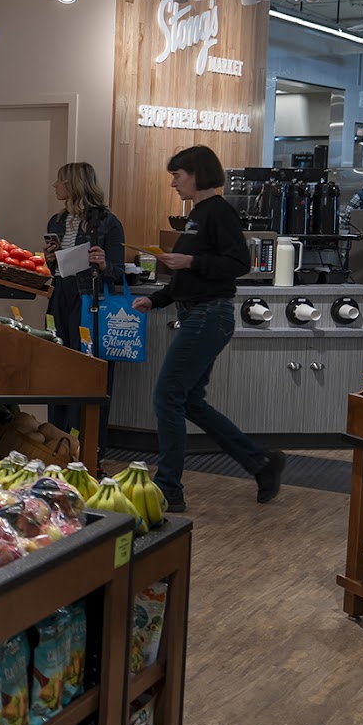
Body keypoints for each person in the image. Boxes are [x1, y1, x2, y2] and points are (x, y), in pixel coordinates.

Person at [133, 145, 285, 511]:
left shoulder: (218, 211)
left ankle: (168, 488)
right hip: (198, 314)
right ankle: (261, 462)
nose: (173, 183)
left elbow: (238, 263)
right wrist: (157, 300)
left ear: (196, 175)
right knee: (188, 401)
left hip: (209, 315)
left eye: (177, 175)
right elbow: (190, 273)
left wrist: (191, 261)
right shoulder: (197, 215)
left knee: (167, 396)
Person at [43, 162, 124, 439]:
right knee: (57, 367)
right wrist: (50, 260)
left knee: (87, 371)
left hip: (88, 301)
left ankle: (86, 444)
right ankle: (57, 440)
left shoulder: (107, 222)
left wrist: (104, 265)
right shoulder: (56, 221)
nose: (55, 185)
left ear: (74, 184)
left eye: (60, 181)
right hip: (59, 298)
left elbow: (118, 272)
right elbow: (54, 268)